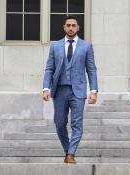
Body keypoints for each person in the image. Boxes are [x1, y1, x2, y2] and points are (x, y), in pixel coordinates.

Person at [42, 16, 98, 163]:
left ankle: (71, 154)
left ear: (78, 27)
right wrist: (45, 88)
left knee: (76, 124)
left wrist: (93, 91)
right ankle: (68, 150)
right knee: (59, 123)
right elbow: (49, 68)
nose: (71, 28)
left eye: (74, 25)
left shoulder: (86, 46)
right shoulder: (55, 46)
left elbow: (91, 69)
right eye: (68, 25)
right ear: (64, 27)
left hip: (78, 91)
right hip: (59, 90)